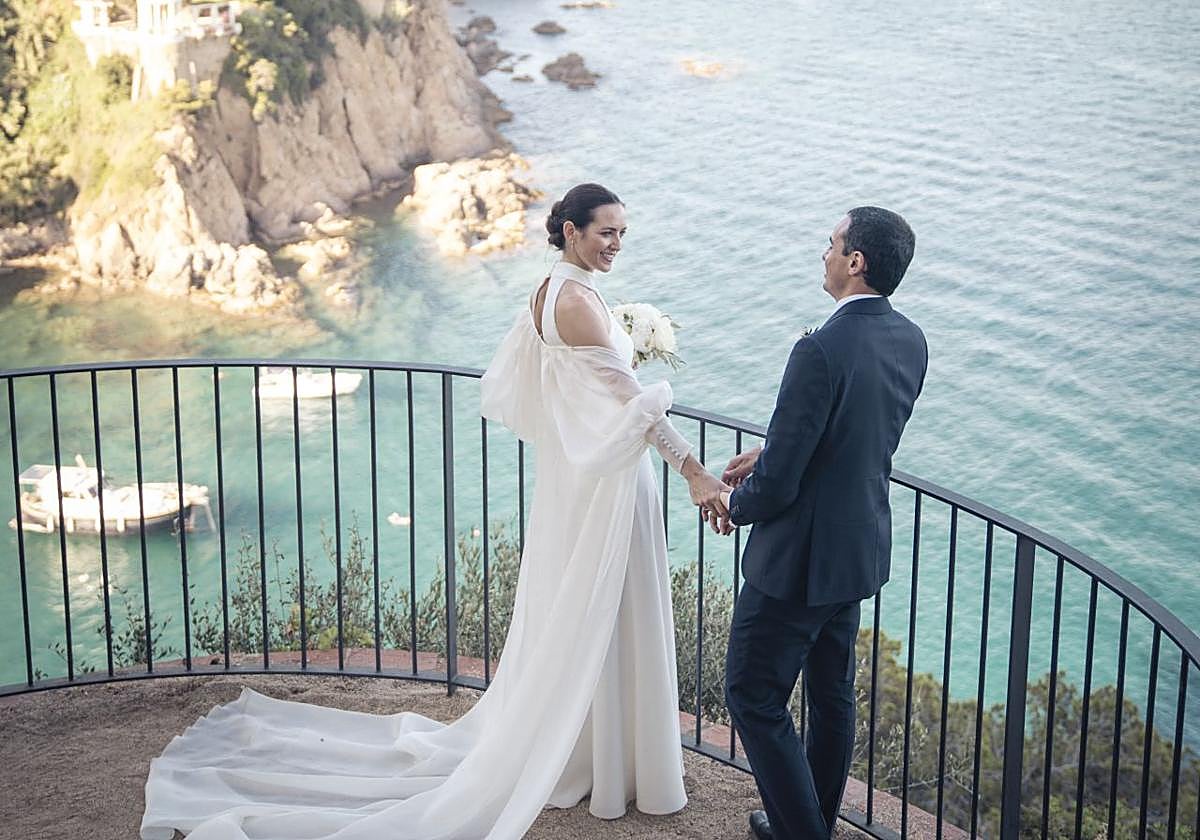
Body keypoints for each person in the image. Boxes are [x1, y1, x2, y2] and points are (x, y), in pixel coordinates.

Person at [139, 183, 731, 840]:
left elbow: (541, 389)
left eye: (623, 232)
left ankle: (588, 755)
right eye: (605, 232)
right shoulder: (577, 302)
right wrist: (695, 471)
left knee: (585, 614)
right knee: (604, 612)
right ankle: (609, 761)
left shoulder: (550, 292)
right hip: (610, 486)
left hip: (579, 479)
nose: (616, 243)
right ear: (568, 230)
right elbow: (633, 405)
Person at [717, 207, 928, 840]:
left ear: (855, 261)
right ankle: (813, 822)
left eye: (832, 245)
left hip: (798, 564)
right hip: (857, 549)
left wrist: (735, 502)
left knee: (752, 696)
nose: (825, 254)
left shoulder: (819, 348)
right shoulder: (910, 338)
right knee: (832, 698)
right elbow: (853, 437)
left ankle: (802, 833)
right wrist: (772, 449)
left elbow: (781, 484)